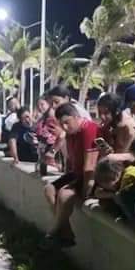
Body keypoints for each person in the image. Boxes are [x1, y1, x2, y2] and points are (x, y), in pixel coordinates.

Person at [41, 103, 100, 248]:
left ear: (76, 117)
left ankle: (55, 230)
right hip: (75, 173)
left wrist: (87, 192)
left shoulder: (88, 129)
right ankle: (66, 232)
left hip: (89, 175)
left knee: (64, 195)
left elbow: (89, 166)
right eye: (62, 124)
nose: (65, 127)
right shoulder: (70, 134)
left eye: (67, 122)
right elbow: (70, 161)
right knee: (49, 189)